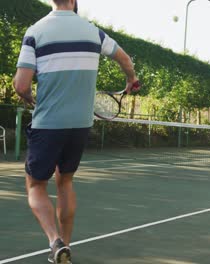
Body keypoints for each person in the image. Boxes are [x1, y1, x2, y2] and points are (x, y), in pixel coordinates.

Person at [13, 0, 138, 263]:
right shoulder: (94, 32)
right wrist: (130, 80)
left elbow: (21, 85)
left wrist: (32, 100)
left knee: (35, 186)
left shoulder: (35, 31)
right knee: (65, 182)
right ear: (74, 1)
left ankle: (53, 241)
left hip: (48, 123)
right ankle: (65, 248)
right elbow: (125, 59)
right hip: (80, 125)